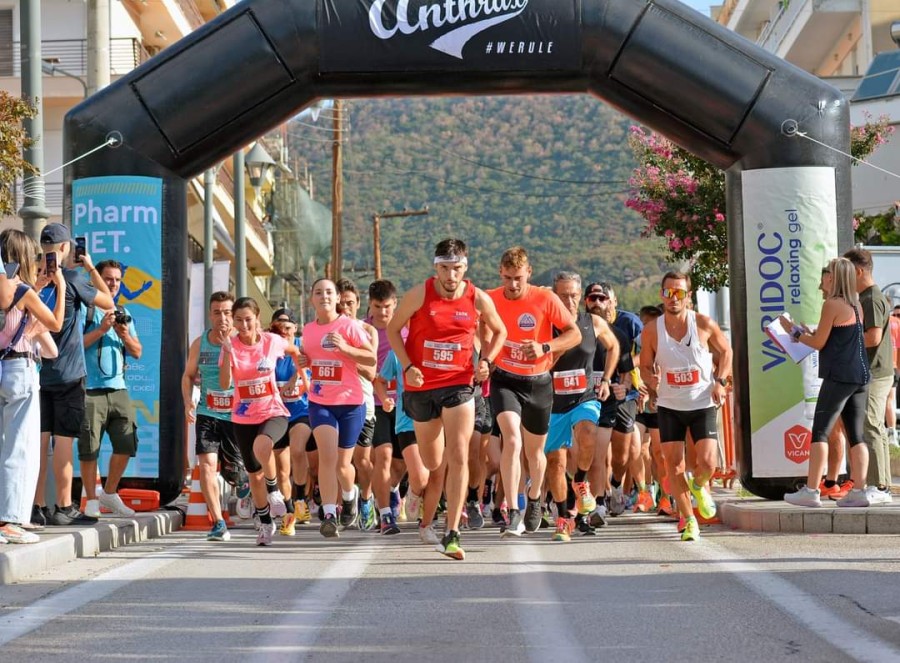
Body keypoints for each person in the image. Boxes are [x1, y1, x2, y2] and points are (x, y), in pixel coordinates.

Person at [389, 238, 506, 559]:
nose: (451, 275)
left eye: (456, 269)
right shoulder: (419, 294)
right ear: (435, 267)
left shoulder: (476, 297)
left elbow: (500, 331)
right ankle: (418, 492)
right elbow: (392, 329)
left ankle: (452, 533)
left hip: (459, 385)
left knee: (459, 454)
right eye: (444, 268)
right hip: (422, 387)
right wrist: (408, 366)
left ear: (465, 267)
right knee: (432, 463)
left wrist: (486, 361)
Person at [487, 247, 580, 536]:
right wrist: (486, 357)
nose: (513, 285)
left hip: (538, 382)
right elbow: (478, 327)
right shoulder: (490, 299)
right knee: (511, 440)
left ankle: (535, 498)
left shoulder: (544, 298)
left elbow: (573, 333)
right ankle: (514, 510)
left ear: (528, 272)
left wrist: (545, 347)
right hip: (505, 379)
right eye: (507, 278)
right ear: (500, 274)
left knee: (535, 452)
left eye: (518, 278)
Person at [639, 271, 732, 541]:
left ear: (688, 296)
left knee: (707, 463)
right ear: (661, 295)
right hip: (669, 405)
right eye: (668, 292)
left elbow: (726, 352)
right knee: (674, 465)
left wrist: (720, 381)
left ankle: (699, 484)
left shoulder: (702, 323)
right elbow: (645, 366)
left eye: (679, 293)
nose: (673, 298)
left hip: (702, 401)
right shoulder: (651, 331)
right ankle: (689, 520)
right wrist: (651, 380)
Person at [34, 223, 115, 527]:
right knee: (64, 441)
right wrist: (91, 268)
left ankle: (36, 505)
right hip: (68, 374)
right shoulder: (74, 278)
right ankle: (64, 507)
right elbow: (109, 301)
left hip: (37, 375)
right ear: (67, 248)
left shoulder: (33, 280)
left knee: (39, 444)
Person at [781, 257, 872, 508]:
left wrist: (793, 332)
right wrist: (808, 334)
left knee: (820, 431)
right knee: (856, 435)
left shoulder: (832, 303)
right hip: (860, 375)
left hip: (839, 375)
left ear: (832, 277)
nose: (821, 278)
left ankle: (811, 490)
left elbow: (820, 344)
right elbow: (834, 338)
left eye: (825, 274)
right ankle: (859, 490)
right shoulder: (855, 304)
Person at [220, 297, 303, 546]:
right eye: (238, 320)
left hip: (273, 411)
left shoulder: (272, 342)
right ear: (233, 322)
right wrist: (225, 353)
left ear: (258, 320)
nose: (244, 325)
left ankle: (275, 489)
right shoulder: (231, 346)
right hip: (243, 416)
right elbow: (225, 384)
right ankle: (266, 523)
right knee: (253, 475)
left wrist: (300, 378)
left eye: (248, 319)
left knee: (263, 444)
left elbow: (296, 351)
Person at [0, 230, 65, 544]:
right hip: (18, 368)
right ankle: (9, 520)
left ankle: (9, 518)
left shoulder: (8, 288)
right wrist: (60, 289)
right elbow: (54, 323)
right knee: (19, 449)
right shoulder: (22, 291)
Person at [545, 271, 619, 542]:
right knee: (555, 461)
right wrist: (558, 350)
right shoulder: (546, 324)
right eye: (563, 295)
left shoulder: (593, 322)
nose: (569, 301)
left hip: (584, 397)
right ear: (554, 295)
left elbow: (613, 347)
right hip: (553, 402)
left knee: (588, 433)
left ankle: (580, 481)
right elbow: (538, 364)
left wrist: (607, 379)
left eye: (574, 295)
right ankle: (564, 518)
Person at [301, 279, 377, 538]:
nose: (324, 296)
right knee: (327, 457)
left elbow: (371, 358)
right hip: (320, 401)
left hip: (351, 402)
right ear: (312, 298)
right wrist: (305, 360)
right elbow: (313, 359)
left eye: (329, 292)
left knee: (344, 465)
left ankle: (349, 495)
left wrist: (345, 347)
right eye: (318, 292)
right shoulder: (308, 330)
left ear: (336, 299)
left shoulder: (349, 326)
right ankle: (330, 514)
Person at [79, 260, 143, 519]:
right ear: (97, 281)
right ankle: (92, 500)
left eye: (117, 280)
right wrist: (102, 329)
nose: (113, 284)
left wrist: (123, 333)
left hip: (119, 390)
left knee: (127, 443)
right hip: (90, 389)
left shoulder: (123, 312)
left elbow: (137, 352)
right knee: (89, 447)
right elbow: (75, 346)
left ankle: (110, 492)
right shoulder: (87, 310)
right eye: (108, 279)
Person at [182, 291, 244, 541]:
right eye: (217, 312)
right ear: (210, 314)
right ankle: (218, 522)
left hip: (237, 416)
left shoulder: (242, 341)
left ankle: (243, 482)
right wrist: (188, 402)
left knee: (236, 474)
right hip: (208, 413)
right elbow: (187, 376)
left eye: (227, 312)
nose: (222, 318)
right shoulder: (200, 343)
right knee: (206, 465)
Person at [844, 248, 893, 503]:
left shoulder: (870, 298)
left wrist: (844, 341)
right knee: (874, 427)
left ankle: (879, 486)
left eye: (847, 272)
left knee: (870, 425)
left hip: (875, 371)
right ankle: (880, 483)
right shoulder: (867, 296)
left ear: (859, 271)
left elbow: (873, 337)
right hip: (877, 370)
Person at [336, 278, 379, 529]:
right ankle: (346, 500)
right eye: (341, 304)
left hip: (363, 402)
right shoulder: (328, 330)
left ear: (358, 303)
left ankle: (365, 499)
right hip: (334, 401)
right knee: (338, 460)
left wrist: (346, 354)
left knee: (362, 460)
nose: (345, 309)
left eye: (350, 303)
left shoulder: (368, 331)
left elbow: (371, 369)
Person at [366, 279, 407, 535]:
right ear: (370, 305)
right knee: (383, 456)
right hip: (375, 402)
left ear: (396, 304)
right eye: (377, 306)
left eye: (388, 306)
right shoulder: (363, 330)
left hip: (404, 404)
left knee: (402, 465)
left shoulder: (405, 328)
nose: (382, 312)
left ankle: (391, 490)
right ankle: (384, 515)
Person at [269, 307, 312, 536]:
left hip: (301, 411)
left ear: (295, 328)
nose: (283, 330)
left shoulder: (303, 347)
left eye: (288, 326)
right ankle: (289, 513)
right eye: (279, 326)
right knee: (282, 470)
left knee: (298, 450)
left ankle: (301, 499)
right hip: (276, 413)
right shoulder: (269, 350)